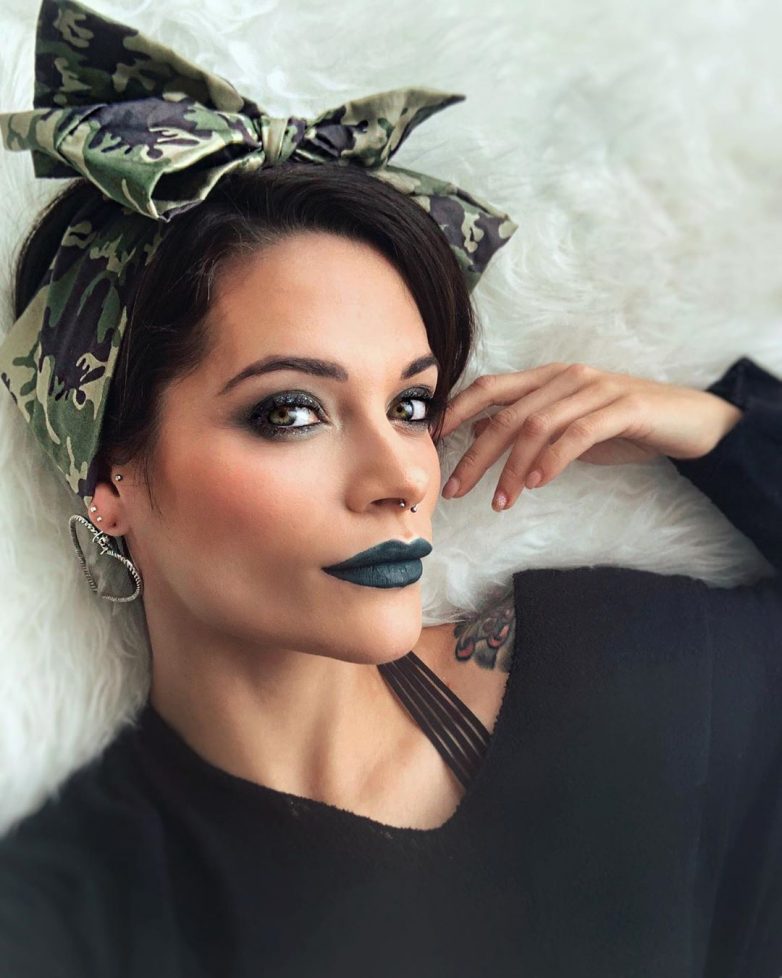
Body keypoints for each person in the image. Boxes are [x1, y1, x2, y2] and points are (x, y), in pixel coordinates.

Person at [1, 1, 781, 976]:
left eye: (411, 406)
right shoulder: (67, 914)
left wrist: (727, 433)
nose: (403, 478)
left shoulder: (625, 672)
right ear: (108, 478)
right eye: (290, 411)